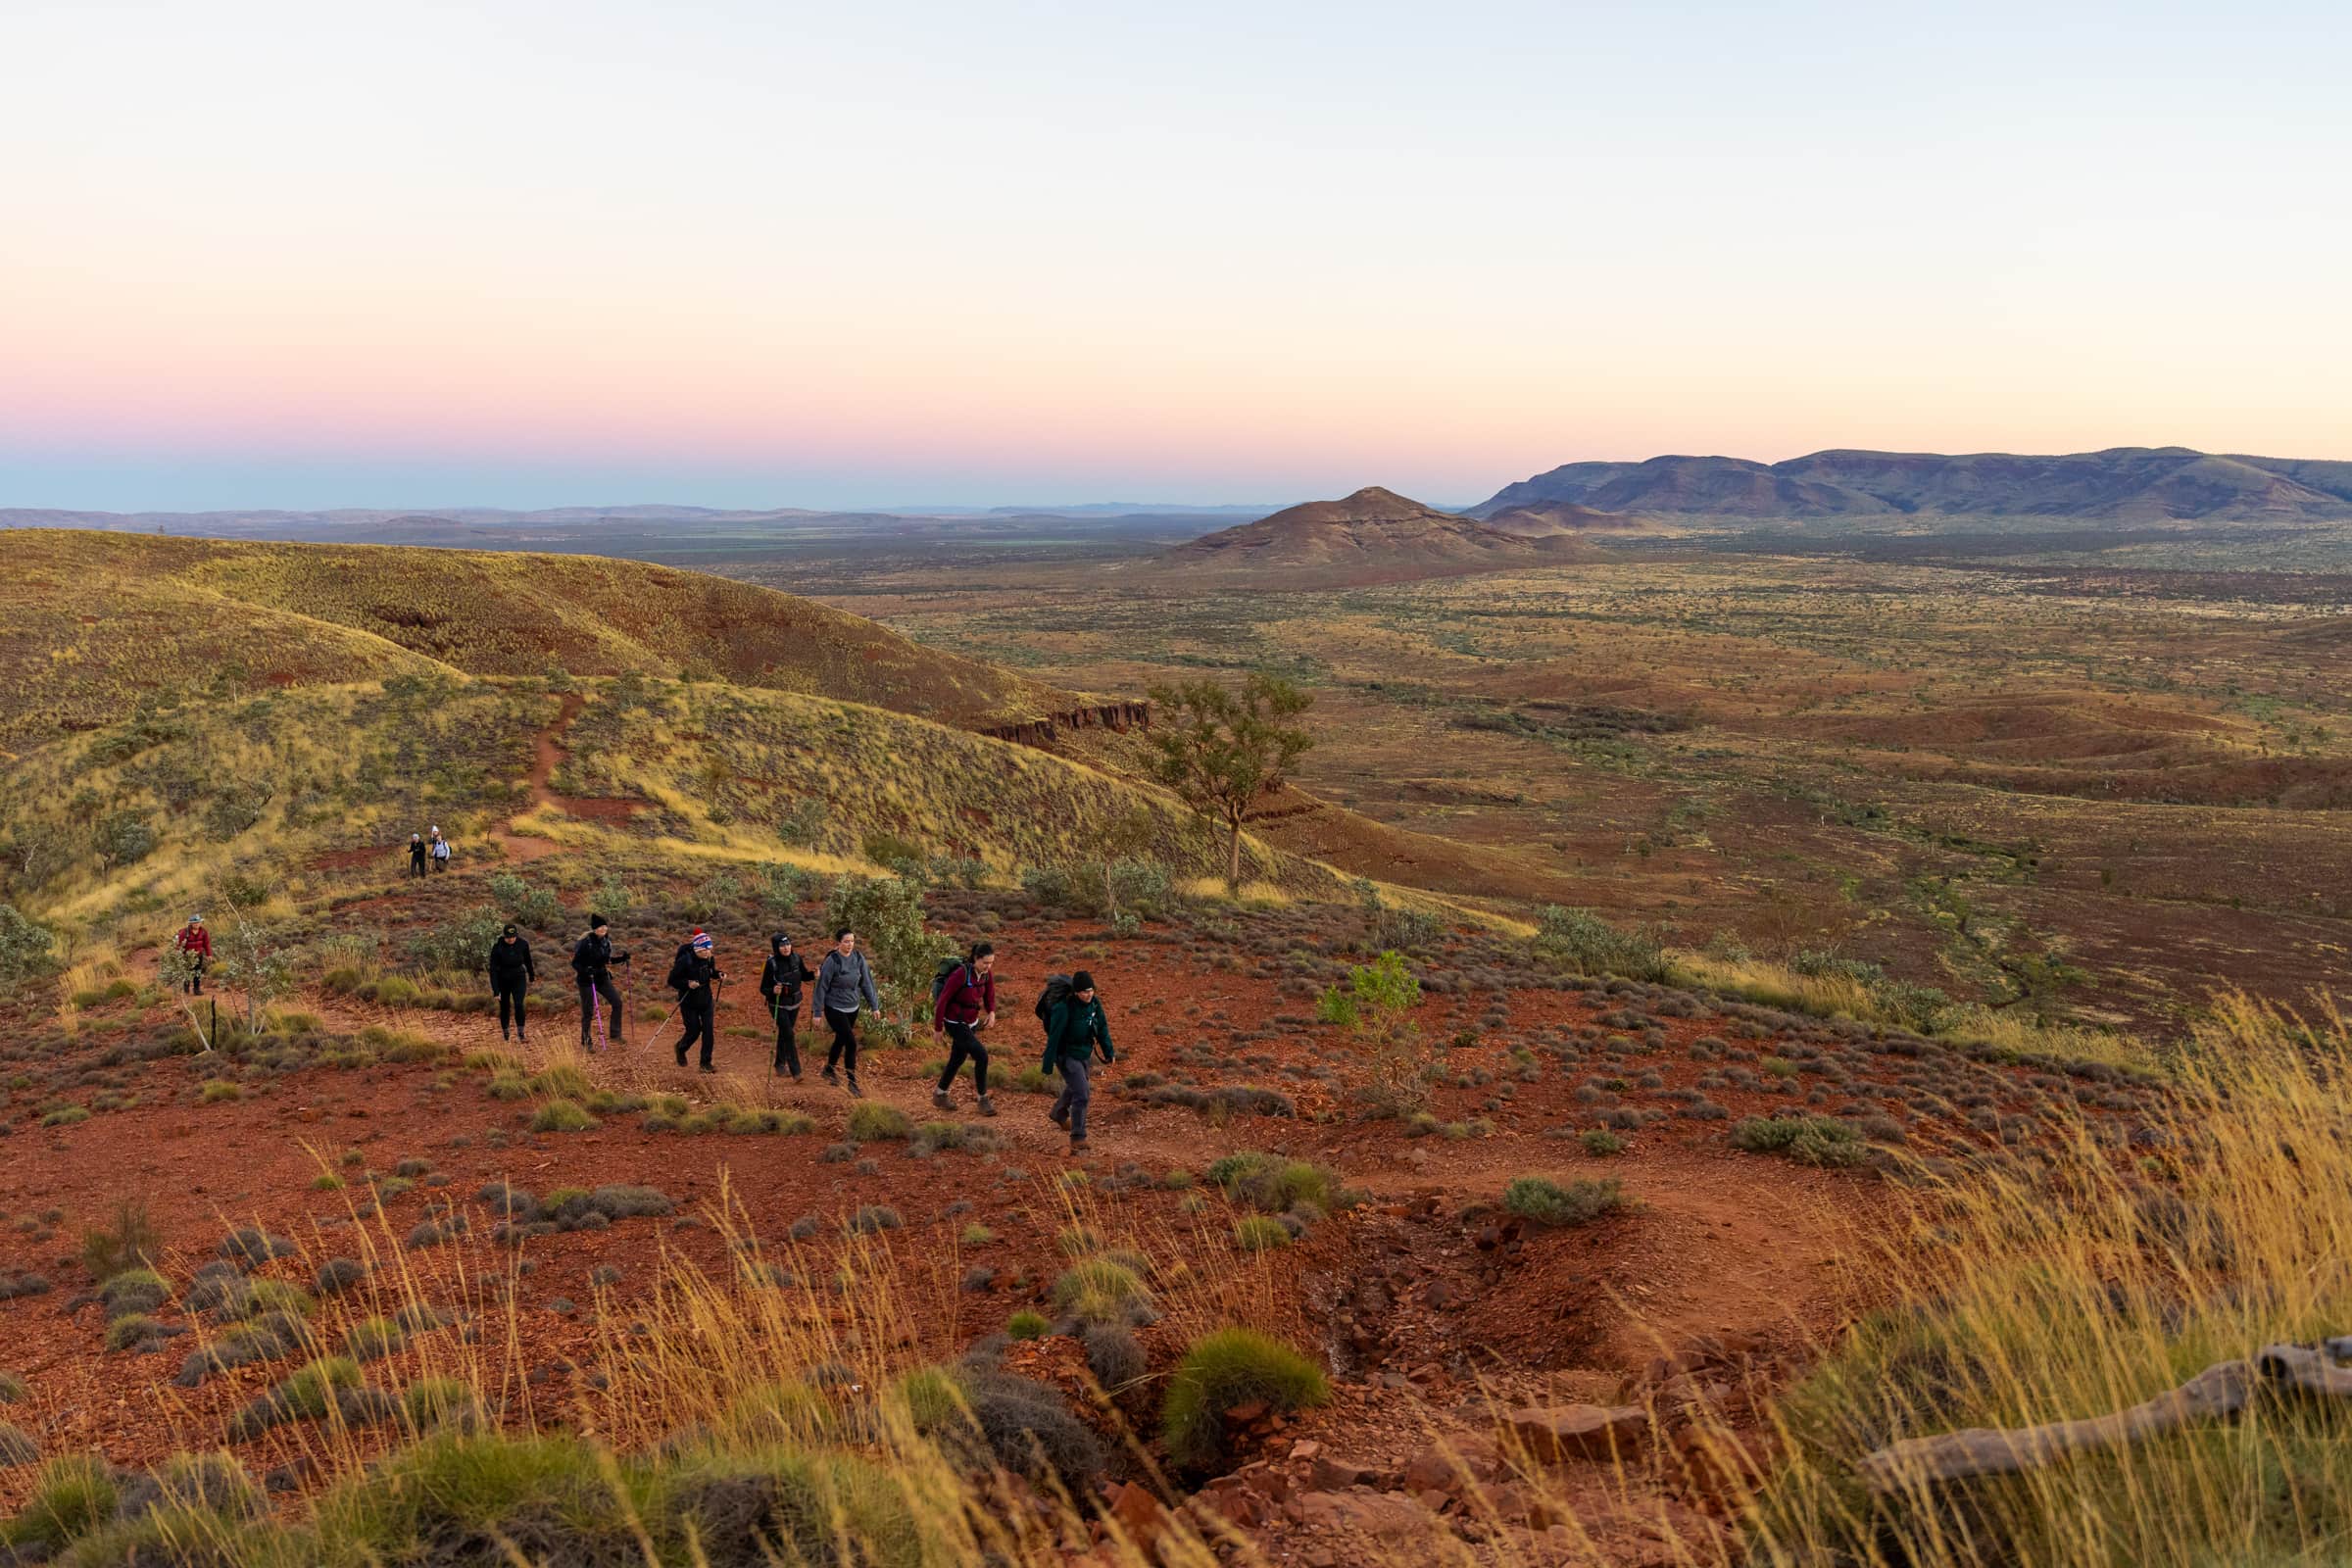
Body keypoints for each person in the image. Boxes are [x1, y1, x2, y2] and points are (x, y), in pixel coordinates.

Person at [1044, 971, 1113, 1155]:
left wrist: (1109, 1052)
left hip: (1084, 1053)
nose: (1088, 994)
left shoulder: (1095, 1005)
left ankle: (1058, 1111)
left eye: (1091, 990)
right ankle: (1078, 1136)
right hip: (1066, 1055)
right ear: (1075, 992)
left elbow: (1102, 1029)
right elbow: (1054, 1035)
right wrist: (1048, 1062)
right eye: (1083, 991)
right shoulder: (1063, 1008)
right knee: (1082, 1093)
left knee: (1076, 1087)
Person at [931, 941, 999, 1116]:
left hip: (971, 1022)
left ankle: (940, 1094)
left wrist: (991, 1012)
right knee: (982, 1056)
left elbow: (990, 994)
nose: (988, 966)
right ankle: (982, 1099)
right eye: (985, 962)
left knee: (958, 1058)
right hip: (954, 1022)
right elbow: (942, 1001)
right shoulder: (961, 974)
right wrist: (938, 1028)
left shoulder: (986, 974)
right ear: (976, 959)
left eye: (991, 962)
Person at [814, 928, 880, 1098]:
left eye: (852, 941)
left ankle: (829, 1070)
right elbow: (821, 987)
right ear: (838, 943)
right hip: (834, 1007)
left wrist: (874, 1006)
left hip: (853, 1006)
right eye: (846, 941)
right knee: (851, 1042)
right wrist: (817, 1012)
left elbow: (866, 983)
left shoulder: (858, 958)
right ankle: (852, 1082)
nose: (849, 944)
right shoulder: (832, 960)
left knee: (841, 1039)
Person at [758, 933, 814, 1078]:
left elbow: (804, 975)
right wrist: (773, 990)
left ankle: (779, 1064)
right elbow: (763, 988)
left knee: (785, 1034)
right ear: (776, 948)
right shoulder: (772, 963)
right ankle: (796, 1071)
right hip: (778, 1005)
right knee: (789, 1034)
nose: (786, 948)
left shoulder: (796, 958)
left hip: (795, 1003)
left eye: (788, 944)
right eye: (782, 946)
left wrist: (814, 975)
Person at [666, 931, 724, 1072]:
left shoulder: (709, 958)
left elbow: (711, 972)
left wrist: (718, 974)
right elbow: (672, 980)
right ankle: (681, 1048)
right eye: (704, 950)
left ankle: (705, 1064)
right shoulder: (685, 961)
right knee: (693, 1031)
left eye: (709, 949)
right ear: (697, 948)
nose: (707, 952)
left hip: (706, 999)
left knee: (708, 1031)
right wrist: (687, 983)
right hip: (689, 1001)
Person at [570, 915, 629, 1051]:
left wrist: (622, 959)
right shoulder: (585, 943)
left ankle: (615, 1035)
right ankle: (586, 1041)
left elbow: (607, 960)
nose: (603, 929)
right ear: (594, 929)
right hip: (586, 980)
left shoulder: (606, 942)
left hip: (601, 977)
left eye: (604, 926)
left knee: (617, 1002)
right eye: (600, 927)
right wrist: (586, 970)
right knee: (588, 1011)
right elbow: (575, 963)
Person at [486, 923, 535, 1042]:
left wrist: (531, 974)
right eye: (508, 937)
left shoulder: (523, 944)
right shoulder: (497, 948)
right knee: (505, 1006)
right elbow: (493, 970)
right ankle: (506, 1033)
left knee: (519, 1004)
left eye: (513, 936)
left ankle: (521, 1034)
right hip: (503, 979)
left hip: (519, 977)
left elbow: (528, 960)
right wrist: (495, 990)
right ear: (504, 936)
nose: (511, 939)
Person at [174, 916, 212, 995]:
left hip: (199, 955)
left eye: (198, 922)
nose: (197, 924)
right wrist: (178, 954)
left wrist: (209, 954)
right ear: (191, 923)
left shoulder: (203, 932)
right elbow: (178, 944)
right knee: (187, 971)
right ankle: (186, 987)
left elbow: (207, 944)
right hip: (187, 956)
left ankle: (196, 989)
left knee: (197, 972)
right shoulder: (184, 932)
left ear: (200, 923)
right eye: (195, 923)